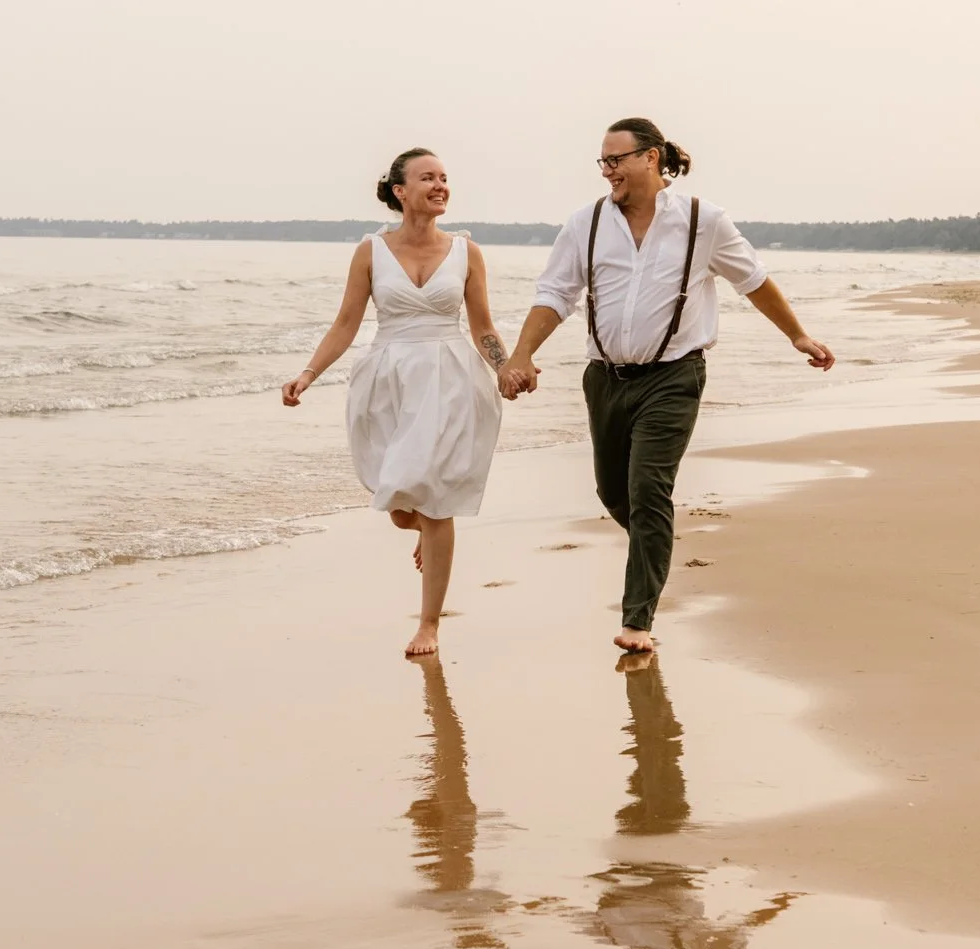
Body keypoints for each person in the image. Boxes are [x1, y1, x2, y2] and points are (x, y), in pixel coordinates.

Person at [498, 118, 832, 655]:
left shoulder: (703, 221)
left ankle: (637, 619)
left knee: (648, 491)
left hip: (675, 375)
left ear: (650, 158)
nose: (608, 172)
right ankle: (655, 548)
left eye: (616, 160)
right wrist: (521, 354)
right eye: (602, 163)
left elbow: (754, 281)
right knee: (614, 492)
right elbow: (555, 293)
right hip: (604, 379)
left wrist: (798, 335)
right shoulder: (584, 224)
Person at [282, 149, 505, 656]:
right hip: (388, 379)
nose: (441, 184)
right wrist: (308, 373)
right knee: (400, 498)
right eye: (428, 178)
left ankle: (429, 624)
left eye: (445, 177)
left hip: (450, 378)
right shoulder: (370, 251)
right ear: (400, 191)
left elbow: (483, 326)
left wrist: (507, 367)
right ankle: (419, 525)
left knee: (437, 499)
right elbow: (346, 323)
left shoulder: (467, 251)